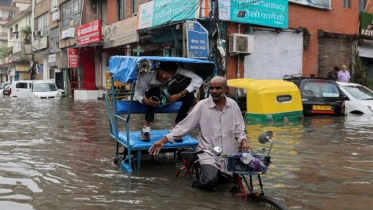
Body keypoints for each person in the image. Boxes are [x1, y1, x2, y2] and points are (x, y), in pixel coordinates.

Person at [149, 76, 251, 190]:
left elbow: (239, 128)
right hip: (208, 153)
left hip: (227, 154)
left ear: (226, 89)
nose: (214, 91)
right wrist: (163, 141)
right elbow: (184, 127)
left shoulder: (233, 105)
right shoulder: (202, 106)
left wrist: (243, 142)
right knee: (210, 181)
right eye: (211, 88)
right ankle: (195, 186)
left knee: (231, 184)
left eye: (218, 88)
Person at [135, 61, 203, 142]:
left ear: (173, 72)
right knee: (155, 92)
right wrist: (146, 101)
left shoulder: (178, 70)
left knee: (190, 96)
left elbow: (198, 79)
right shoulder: (146, 76)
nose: (163, 76)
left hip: (169, 95)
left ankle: (175, 129)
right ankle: (145, 129)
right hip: (153, 97)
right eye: (162, 72)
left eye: (168, 74)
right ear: (159, 69)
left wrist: (179, 95)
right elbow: (138, 92)